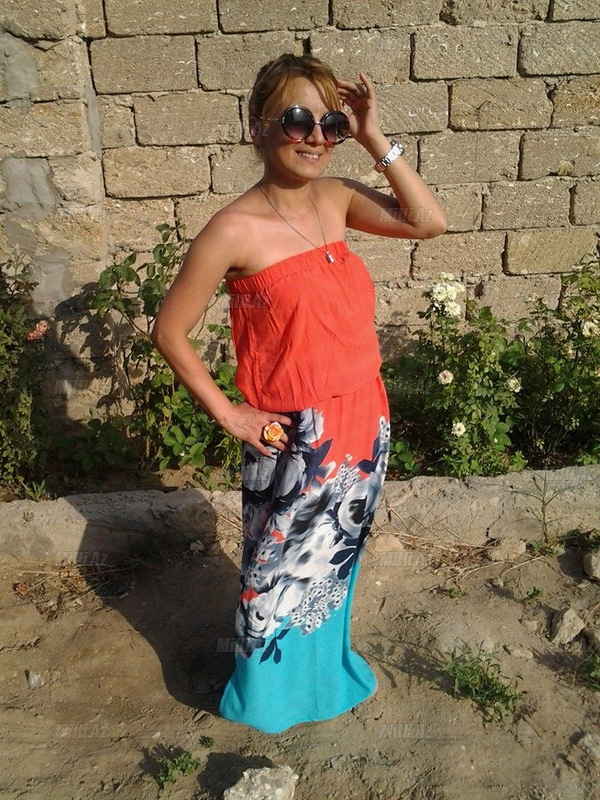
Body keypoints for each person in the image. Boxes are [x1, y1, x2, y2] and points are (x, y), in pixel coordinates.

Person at [150, 53, 447, 734]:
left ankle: (320, 680)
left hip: (363, 415)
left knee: (333, 564)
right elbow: (169, 331)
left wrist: (375, 139)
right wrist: (230, 413)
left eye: (331, 124)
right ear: (257, 126)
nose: (316, 137)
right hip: (298, 434)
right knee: (277, 571)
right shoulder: (232, 230)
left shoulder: (337, 197)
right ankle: (267, 697)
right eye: (296, 120)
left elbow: (429, 222)